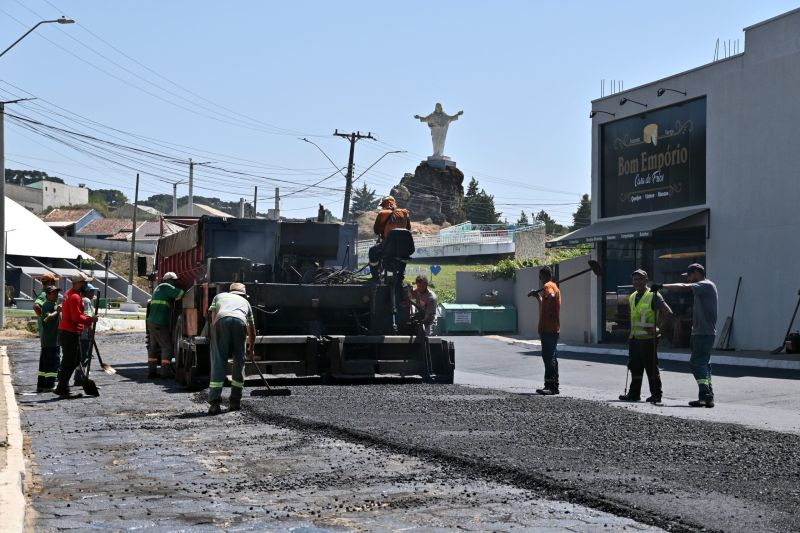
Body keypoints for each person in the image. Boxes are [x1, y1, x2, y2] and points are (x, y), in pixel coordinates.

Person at [652, 263, 718, 408]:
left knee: (697, 362)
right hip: (701, 332)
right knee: (704, 363)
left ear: (696, 272)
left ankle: (705, 394)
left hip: (703, 333)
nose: (688, 279)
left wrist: (662, 285)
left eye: (689, 275)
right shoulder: (702, 289)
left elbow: (683, 287)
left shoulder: (706, 284)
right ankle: (706, 397)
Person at [619, 269, 673, 404]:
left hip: (649, 339)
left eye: (640, 279)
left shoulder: (654, 295)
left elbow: (668, 312)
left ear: (646, 280)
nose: (637, 282)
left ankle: (656, 395)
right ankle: (633, 394)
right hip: (635, 338)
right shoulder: (632, 296)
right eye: (635, 279)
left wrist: (659, 330)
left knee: (651, 367)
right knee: (635, 367)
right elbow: (633, 316)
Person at [207, 282, 256, 415]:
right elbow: (252, 331)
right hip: (240, 322)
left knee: (219, 362)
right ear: (243, 293)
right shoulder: (246, 303)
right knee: (239, 362)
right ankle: (235, 402)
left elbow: (213, 317)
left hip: (221, 321)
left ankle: (214, 403)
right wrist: (251, 349)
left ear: (230, 291)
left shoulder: (219, 296)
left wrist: (215, 334)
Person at [55, 273, 98, 398]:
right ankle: (62, 388)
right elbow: (76, 317)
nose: (86, 285)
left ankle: (62, 386)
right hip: (69, 332)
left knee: (75, 359)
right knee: (70, 361)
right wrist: (90, 319)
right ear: (79, 283)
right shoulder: (74, 297)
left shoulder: (69, 293)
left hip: (68, 332)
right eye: (84, 283)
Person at [528, 266, 561, 395]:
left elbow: (551, 296)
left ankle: (550, 386)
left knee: (548, 357)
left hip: (549, 329)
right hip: (551, 329)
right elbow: (545, 304)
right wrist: (537, 296)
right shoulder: (552, 287)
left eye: (540, 276)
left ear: (544, 276)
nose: (539, 279)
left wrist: (551, 298)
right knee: (552, 356)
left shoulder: (549, 286)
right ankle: (555, 385)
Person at [146, 272, 184, 379]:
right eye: (174, 281)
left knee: (153, 347)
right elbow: (181, 293)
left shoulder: (158, 288)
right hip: (160, 322)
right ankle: (165, 372)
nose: (175, 283)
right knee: (167, 347)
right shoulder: (167, 287)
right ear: (170, 280)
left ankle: (152, 371)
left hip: (152, 322)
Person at [368, 196, 411, 281]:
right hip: (403, 248)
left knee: (372, 251)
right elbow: (408, 228)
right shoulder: (405, 213)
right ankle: (401, 274)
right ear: (394, 203)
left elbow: (376, 231)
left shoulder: (382, 213)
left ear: (384, 204)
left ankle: (375, 277)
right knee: (404, 256)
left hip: (387, 247)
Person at [36, 285, 62, 393]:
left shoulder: (53, 304)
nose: (56, 295)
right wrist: (58, 311)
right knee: (53, 362)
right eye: (53, 293)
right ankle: (50, 384)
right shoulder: (47, 305)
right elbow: (46, 319)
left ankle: (41, 384)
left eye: (57, 293)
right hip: (51, 340)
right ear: (47, 295)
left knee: (44, 363)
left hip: (49, 339)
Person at [73, 283, 99, 387]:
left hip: (80, 333)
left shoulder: (81, 299)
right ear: (86, 292)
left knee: (81, 357)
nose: (93, 293)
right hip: (84, 333)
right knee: (84, 357)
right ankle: (80, 377)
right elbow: (87, 318)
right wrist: (91, 331)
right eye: (91, 291)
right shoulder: (86, 301)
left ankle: (79, 377)